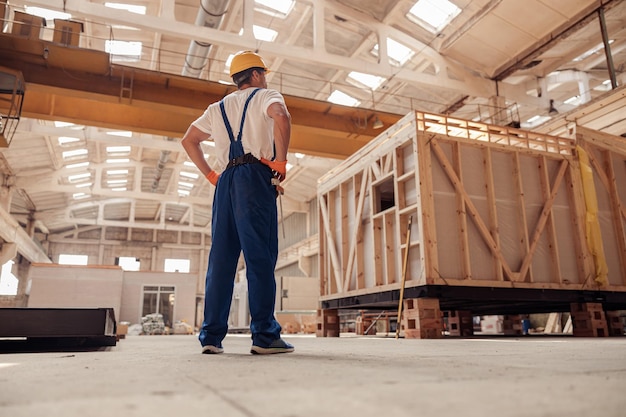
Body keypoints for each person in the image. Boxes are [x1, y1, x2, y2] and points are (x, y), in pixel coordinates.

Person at [181, 50, 294, 355]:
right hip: (254, 178)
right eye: (264, 73)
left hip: (226, 181)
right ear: (256, 74)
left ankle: (211, 338)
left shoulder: (216, 108)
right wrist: (281, 162)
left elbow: (188, 139)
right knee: (259, 257)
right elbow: (281, 117)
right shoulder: (266, 95)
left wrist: (210, 176)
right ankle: (265, 337)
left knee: (221, 260)